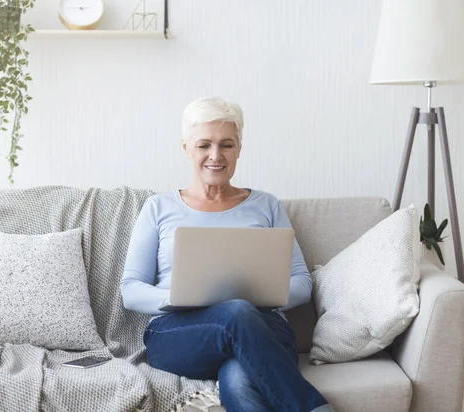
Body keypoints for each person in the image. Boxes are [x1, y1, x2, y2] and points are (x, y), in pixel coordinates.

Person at [121, 97, 332, 412]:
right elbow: (130, 290)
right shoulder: (158, 208)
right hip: (180, 334)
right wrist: (176, 298)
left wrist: (262, 298)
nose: (215, 155)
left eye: (227, 145)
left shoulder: (266, 206)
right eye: (204, 145)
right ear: (186, 148)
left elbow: (302, 281)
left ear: (240, 147)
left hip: (264, 331)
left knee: (237, 375)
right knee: (235, 312)